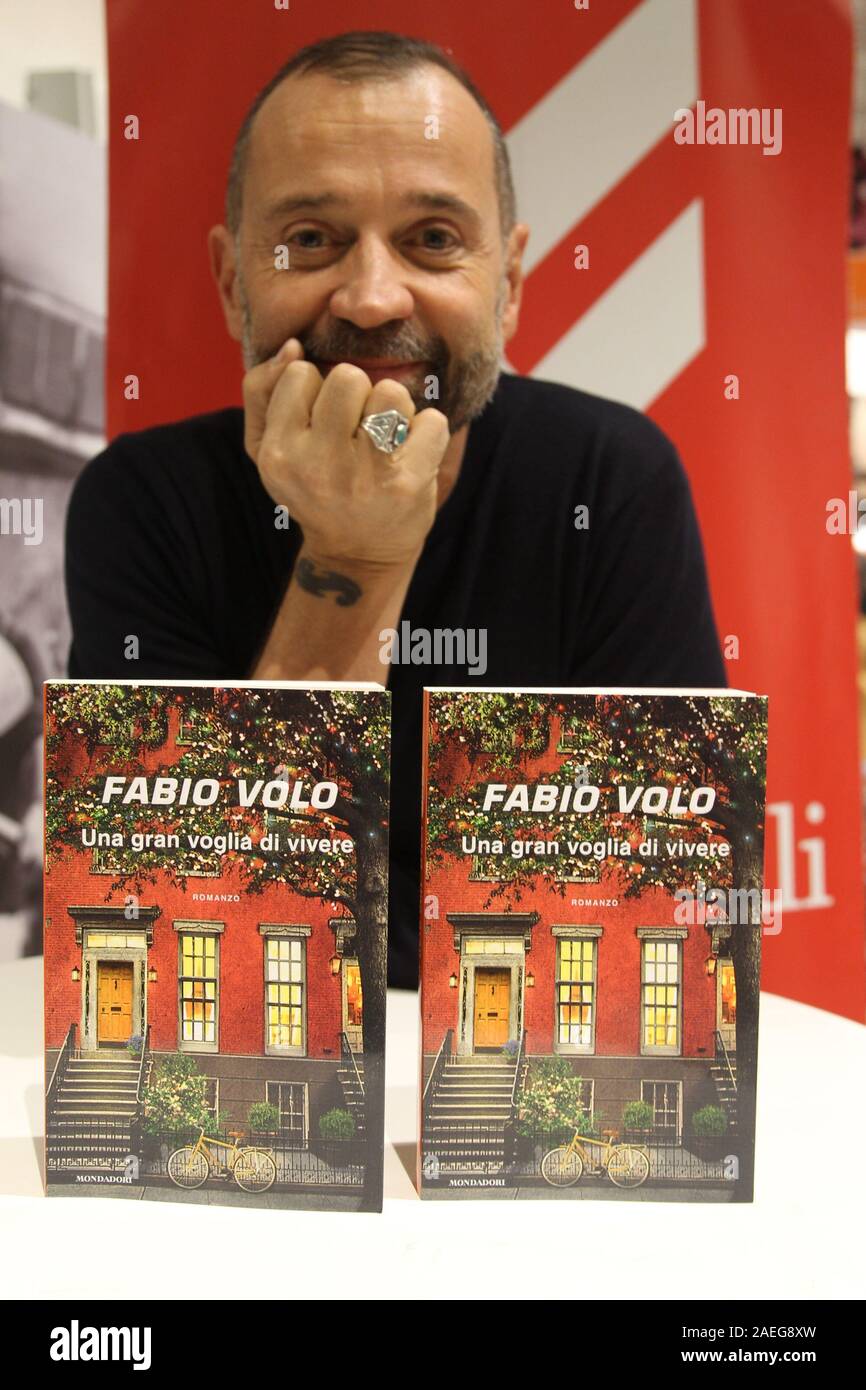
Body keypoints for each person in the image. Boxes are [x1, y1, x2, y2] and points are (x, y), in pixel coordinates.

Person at [64, 30, 726, 989]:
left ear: (508, 286)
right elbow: (173, 975)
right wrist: (355, 556)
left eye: (432, 240)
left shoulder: (610, 485)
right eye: (312, 240)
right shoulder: (143, 503)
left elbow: (648, 942)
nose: (373, 300)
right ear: (230, 282)